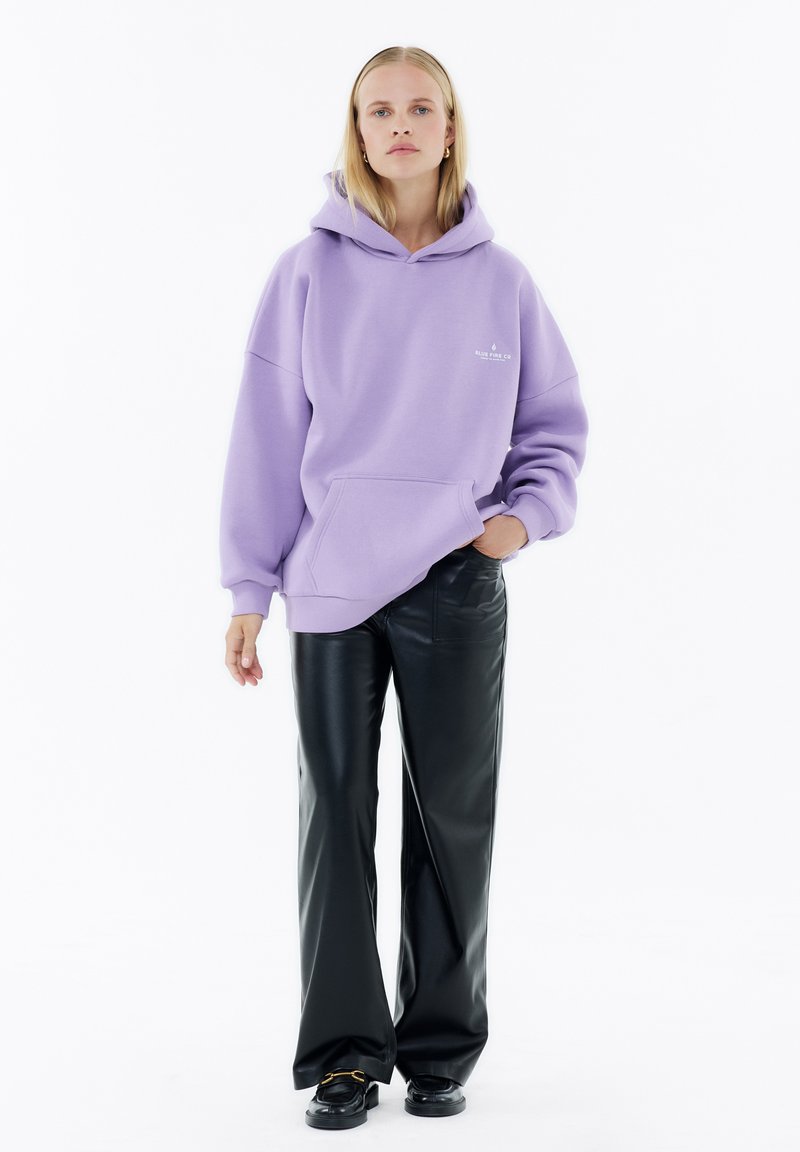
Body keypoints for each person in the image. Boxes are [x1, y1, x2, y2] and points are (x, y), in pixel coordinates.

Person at [219, 45, 589, 1130]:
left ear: (449, 126)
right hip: (332, 583)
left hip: (454, 580)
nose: (398, 125)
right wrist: (248, 589)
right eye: (377, 110)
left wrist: (517, 522)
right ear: (357, 129)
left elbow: (554, 426)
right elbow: (263, 437)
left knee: (451, 822)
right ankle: (344, 1056)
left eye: (419, 107)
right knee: (333, 821)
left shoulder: (501, 281)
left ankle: (436, 1049)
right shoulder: (305, 272)